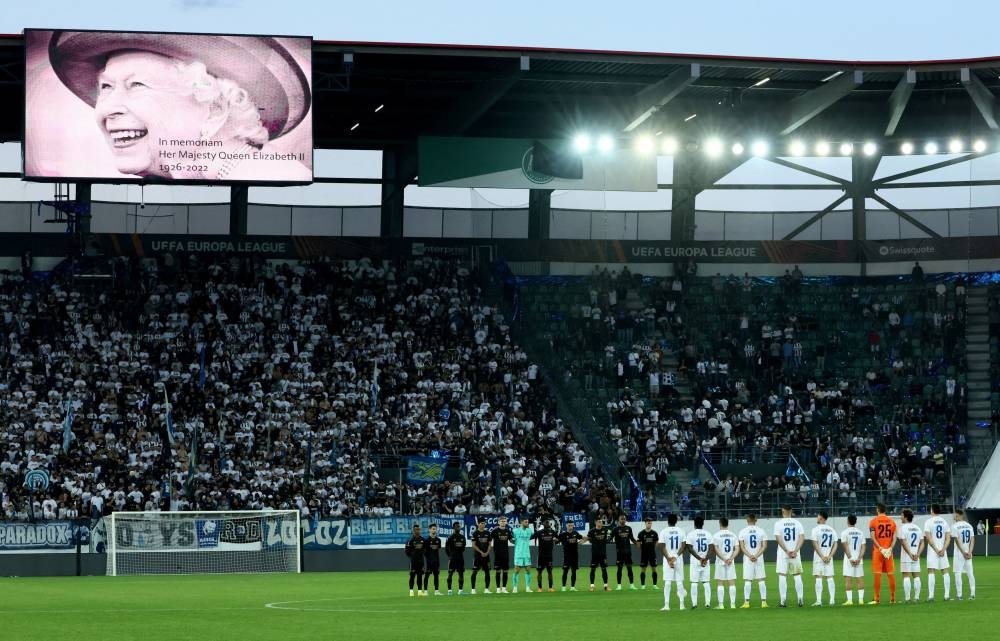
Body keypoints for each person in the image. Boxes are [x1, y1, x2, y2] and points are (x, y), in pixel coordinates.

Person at [44, 31, 312, 182]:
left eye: (137, 85)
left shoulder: (275, 175)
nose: (108, 108)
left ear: (215, 110)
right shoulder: (206, 177)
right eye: (106, 87)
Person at [773, 504, 805, 607]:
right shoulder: (797, 523)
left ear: (783, 511)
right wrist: (795, 550)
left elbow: (778, 538)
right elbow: (802, 537)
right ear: (791, 511)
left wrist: (787, 550)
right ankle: (800, 599)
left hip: (783, 554)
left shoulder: (778, 523)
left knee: (782, 575)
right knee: (797, 575)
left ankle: (783, 601)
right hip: (795, 553)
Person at [868, 503, 898, 604]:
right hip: (888, 552)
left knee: (877, 575)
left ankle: (876, 599)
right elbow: (894, 537)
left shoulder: (873, 521)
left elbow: (873, 537)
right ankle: (893, 598)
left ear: (877, 510)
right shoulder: (892, 522)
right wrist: (890, 549)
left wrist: (880, 548)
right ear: (885, 510)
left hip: (878, 551)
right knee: (890, 574)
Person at [658, 513, 688, 611]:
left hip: (668, 559)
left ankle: (667, 605)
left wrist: (668, 559)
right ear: (676, 521)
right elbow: (684, 546)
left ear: (668, 521)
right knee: (679, 582)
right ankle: (682, 605)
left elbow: (661, 546)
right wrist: (676, 556)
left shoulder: (663, 531)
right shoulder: (681, 531)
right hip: (678, 559)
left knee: (667, 582)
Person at [738, 513, 769, 608]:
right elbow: (764, 546)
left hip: (748, 559)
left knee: (748, 580)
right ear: (756, 520)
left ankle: (746, 603)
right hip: (758, 558)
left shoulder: (742, 532)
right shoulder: (761, 531)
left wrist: (750, 556)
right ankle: (764, 602)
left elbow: (742, 547)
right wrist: (756, 555)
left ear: (747, 520)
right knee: (761, 579)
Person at [924, 503, 952, 602]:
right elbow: (948, 538)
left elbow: (928, 537)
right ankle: (947, 595)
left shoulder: (928, 522)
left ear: (932, 510)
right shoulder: (945, 522)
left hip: (933, 550)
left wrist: (936, 549)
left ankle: (931, 596)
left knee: (931, 571)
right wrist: (943, 549)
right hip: (942, 550)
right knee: (945, 571)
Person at [810, 512, 838, 606]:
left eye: (817, 516)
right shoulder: (832, 530)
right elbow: (835, 544)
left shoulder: (815, 529)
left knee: (819, 577)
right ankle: (832, 600)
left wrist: (822, 556)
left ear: (821, 518)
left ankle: (819, 601)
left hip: (819, 557)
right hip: (829, 557)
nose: (816, 518)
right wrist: (830, 556)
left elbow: (815, 544)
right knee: (830, 577)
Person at [686, 515, 713, 609]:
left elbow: (689, 548)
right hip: (705, 562)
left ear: (694, 524)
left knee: (694, 583)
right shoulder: (708, 534)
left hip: (695, 562)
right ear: (703, 524)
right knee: (706, 582)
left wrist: (699, 558)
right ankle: (707, 603)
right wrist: (705, 559)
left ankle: (694, 604)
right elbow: (711, 548)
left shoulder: (691, 534)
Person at [712, 517, 740, 609]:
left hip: (721, 561)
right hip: (730, 561)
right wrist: (730, 558)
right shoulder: (733, 535)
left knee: (720, 583)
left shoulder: (716, 535)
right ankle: (732, 604)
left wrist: (724, 559)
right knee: (732, 583)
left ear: (720, 524)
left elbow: (716, 549)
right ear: (728, 524)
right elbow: (737, 548)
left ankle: (721, 605)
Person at [897, 508, 924, 603]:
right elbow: (922, 543)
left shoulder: (902, 528)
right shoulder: (917, 528)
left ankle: (907, 598)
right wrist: (917, 554)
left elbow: (903, 543)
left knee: (906, 576)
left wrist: (910, 554)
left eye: (901, 515)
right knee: (916, 576)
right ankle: (916, 598)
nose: (900, 517)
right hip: (916, 556)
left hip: (906, 556)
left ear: (905, 517)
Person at [840, 515, 867, 605]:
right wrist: (859, 558)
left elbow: (845, 546)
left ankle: (850, 600)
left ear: (847, 521)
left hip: (849, 559)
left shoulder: (844, 532)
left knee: (848, 579)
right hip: (859, 558)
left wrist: (850, 558)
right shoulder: (860, 533)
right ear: (855, 522)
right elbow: (863, 547)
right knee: (860, 579)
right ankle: (861, 600)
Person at [951, 508, 976, 600]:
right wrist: (970, 551)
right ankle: (973, 594)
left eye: (956, 515)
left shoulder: (954, 526)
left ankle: (959, 595)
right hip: (968, 553)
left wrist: (963, 552)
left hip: (959, 553)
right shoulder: (969, 526)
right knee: (970, 573)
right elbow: (972, 539)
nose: (955, 517)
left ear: (960, 515)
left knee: (957, 573)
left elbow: (957, 540)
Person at [532, 519, 559, 592]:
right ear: (543, 525)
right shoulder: (539, 532)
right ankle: (540, 588)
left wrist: (555, 540)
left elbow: (558, 539)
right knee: (539, 572)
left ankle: (550, 588)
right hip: (541, 556)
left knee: (550, 571)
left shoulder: (552, 532)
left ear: (550, 525)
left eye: (548, 523)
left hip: (549, 556)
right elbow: (531, 537)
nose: (547, 525)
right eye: (546, 523)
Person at [612, 514, 638, 590]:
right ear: (619, 520)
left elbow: (632, 538)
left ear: (625, 520)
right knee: (619, 569)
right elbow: (610, 538)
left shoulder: (629, 528)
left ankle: (632, 585)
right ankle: (619, 585)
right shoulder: (615, 529)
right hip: (619, 553)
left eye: (624, 519)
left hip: (628, 552)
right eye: (621, 519)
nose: (623, 520)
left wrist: (637, 543)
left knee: (629, 568)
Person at [559, 519, 585, 592]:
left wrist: (582, 542)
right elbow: (556, 540)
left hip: (574, 556)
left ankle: (572, 587)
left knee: (574, 571)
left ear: (573, 525)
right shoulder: (563, 535)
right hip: (567, 556)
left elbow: (583, 538)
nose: (570, 527)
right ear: (566, 525)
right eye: (569, 525)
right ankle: (563, 587)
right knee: (565, 571)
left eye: (571, 525)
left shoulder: (575, 533)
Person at [587, 516, 612, 591]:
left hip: (603, 554)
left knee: (604, 570)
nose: (600, 523)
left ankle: (606, 586)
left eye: (601, 522)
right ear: (595, 522)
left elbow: (610, 535)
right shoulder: (591, 531)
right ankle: (592, 586)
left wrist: (609, 538)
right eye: (598, 522)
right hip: (595, 554)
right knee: (593, 570)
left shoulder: (605, 530)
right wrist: (581, 541)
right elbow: (588, 539)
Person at [470, 520, 493, 594]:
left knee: (487, 572)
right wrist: (481, 552)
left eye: (484, 523)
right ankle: (473, 589)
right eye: (481, 523)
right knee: (474, 572)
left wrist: (487, 552)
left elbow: (489, 544)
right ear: (478, 524)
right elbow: (473, 545)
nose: (483, 525)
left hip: (486, 556)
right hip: (477, 556)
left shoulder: (487, 533)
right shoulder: (475, 533)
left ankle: (486, 589)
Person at [511, 517, 533, 593]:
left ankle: (528, 587)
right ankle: (515, 587)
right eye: (526, 522)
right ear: (522, 523)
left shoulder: (529, 531)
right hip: (518, 553)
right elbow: (511, 539)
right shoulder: (515, 531)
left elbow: (533, 536)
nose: (527, 523)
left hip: (527, 553)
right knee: (516, 570)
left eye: (528, 522)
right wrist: (516, 543)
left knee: (528, 570)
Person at [445, 521, 467, 596]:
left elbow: (463, 548)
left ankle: (460, 591)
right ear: (454, 528)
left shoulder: (462, 537)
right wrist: (450, 556)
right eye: (457, 526)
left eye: (459, 526)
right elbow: (446, 548)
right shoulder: (450, 537)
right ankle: (449, 591)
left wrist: (458, 554)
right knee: (450, 574)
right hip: (453, 559)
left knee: (461, 574)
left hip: (460, 558)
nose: (459, 527)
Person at [636, 518, 660, 589]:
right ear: (645, 523)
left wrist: (652, 549)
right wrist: (642, 550)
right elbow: (638, 544)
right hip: (644, 554)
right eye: (648, 523)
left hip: (652, 554)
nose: (649, 524)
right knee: (643, 569)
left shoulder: (654, 533)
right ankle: (643, 585)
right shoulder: (641, 533)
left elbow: (656, 542)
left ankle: (655, 585)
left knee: (654, 569)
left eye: (650, 523)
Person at [491, 516, 512, 593]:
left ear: (506, 522)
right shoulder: (494, 531)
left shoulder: (508, 531)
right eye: (502, 521)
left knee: (505, 571)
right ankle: (498, 588)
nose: (503, 522)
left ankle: (504, 588)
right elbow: (489, 540)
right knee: (498, 571)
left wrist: (518, 540)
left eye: (504, 521)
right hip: (497, 554)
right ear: (498, 522)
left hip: (505, 554)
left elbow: (511, 540)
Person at [404, 524, 427, 597]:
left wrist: (421, 554)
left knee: (420, 576)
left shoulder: (423, 540)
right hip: (413, 561)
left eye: (419, 529)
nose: (418, 531)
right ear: (413, 530)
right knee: (412, 576)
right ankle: (411, 591)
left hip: (421, 561)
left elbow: (425, 549)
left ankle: (420, 591)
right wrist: (412, 556)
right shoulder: (410, 540)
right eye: (416, 529)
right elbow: (406, 550)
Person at [424, 523, 443, 596]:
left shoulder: (438, 540)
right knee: (427, 575)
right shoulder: (427, 540)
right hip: (429, 561)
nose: (434, 530)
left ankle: (436, 591)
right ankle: (425, 591)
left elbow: (438, 550)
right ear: (429, 530)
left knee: (436, 576)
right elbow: (425, 552)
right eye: (432, 529)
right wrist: (428, 559)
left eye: (435, 529)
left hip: (436, 561)